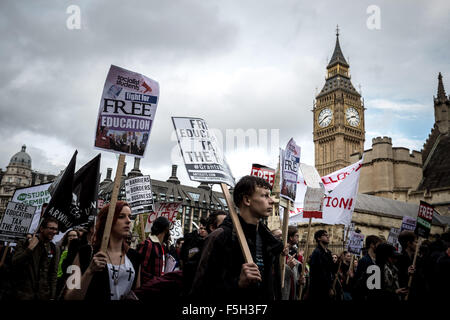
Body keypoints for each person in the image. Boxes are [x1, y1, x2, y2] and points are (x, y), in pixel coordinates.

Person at [191, 175, 283, 300]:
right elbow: (200, 289)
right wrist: (237, 283)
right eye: (265, 195)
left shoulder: (270, 241)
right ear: (247, 200)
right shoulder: (221, 237)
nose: (272, 200)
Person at [64, 201, 141, 300]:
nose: (128, 221)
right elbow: (69, 297)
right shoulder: (84, 253)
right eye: (121, 216)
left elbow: (137, 293)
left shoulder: (135, 257)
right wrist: (89, 271)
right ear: (107, 221)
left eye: (130, 217)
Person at [10, 217, 60, 300]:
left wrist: (52, 296)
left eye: (56, 229)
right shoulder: (24, 243)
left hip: (43, 295)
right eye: (51, 228)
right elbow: (15, 262)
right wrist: (29, 249)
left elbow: (53, 274)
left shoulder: (54, 248)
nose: (54, 232)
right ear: (41, 228)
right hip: (23, 294)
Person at [133, 216, 182, 300]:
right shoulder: (148, 244)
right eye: (169, 229)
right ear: (165, 229)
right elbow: (140, 271)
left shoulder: (162, 247)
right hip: (146, 292)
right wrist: (157, 280)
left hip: (156, 291)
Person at [179, 217, 208, 296]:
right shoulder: (191, 239)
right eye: (201, 228)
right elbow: (183, 256)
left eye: (204, 229)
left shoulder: (208, 243)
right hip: (188, 276)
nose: (202, 230)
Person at [308, 230, 336, 301]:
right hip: (319, 289)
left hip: (329, 286)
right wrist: (328, 288)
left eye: (327, 235)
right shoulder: (316, 253)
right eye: (325, 235)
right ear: (319, 238)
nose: (327, 236)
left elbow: (331, 270)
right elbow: (319, 273)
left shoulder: (328, 252)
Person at [353, 235, 382, 301]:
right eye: (378, 245)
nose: (380, 247)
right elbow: (358, 280)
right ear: (372, 245)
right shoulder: (363, 260)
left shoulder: (380, 261)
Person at [56, 229, 79, 295]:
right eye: (70, 236)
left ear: (78, 237)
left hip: (71, 279)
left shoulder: (79, 251)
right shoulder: (61, 248)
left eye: (74, 235)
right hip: (58, 278)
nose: (72, 237)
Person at [396, 231, 418, 300]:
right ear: (409, 243)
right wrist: (407, 273)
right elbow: (398, 277)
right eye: (415, 242)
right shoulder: (399, 258)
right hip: (405, 295)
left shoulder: (416, 258)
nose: (417, 244)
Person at [281, 226, 300, 300]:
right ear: (291, 238)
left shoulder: (292, 253)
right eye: (296, 236)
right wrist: (288, 267)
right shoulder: (280, 254)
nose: (298, 238)